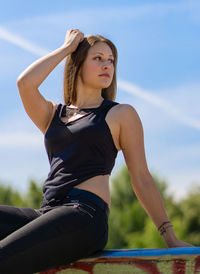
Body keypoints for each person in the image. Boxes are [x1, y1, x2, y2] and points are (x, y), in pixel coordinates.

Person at [0, 29, 192, 274]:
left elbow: (141, 178)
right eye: (98, 58)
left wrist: (170, 237)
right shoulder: (53, 115)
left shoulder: (120, 114)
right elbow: (25, 83)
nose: (107, 66)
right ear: (78, 63)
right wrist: (67, 48)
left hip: (84, 215)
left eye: (111, 60)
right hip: (47, 213)